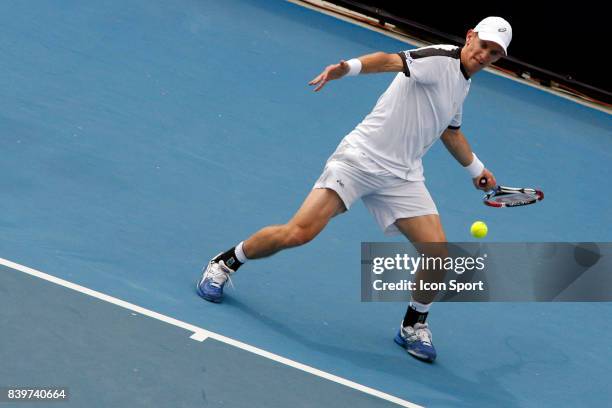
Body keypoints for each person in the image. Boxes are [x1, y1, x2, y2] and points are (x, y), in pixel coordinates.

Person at [197, 17, 512, 363]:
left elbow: (450, 131)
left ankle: (412, 325)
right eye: (483, 45)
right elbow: (389, 59)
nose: (485, 55)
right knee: (298, 233)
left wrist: (476, 170)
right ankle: (225, 263)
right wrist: (346, 68)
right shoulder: (439, 59)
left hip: (403, 176)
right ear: (469, 37)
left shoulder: (462, 83)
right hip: (359, 159)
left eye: (494, 53)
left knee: (438, 254)